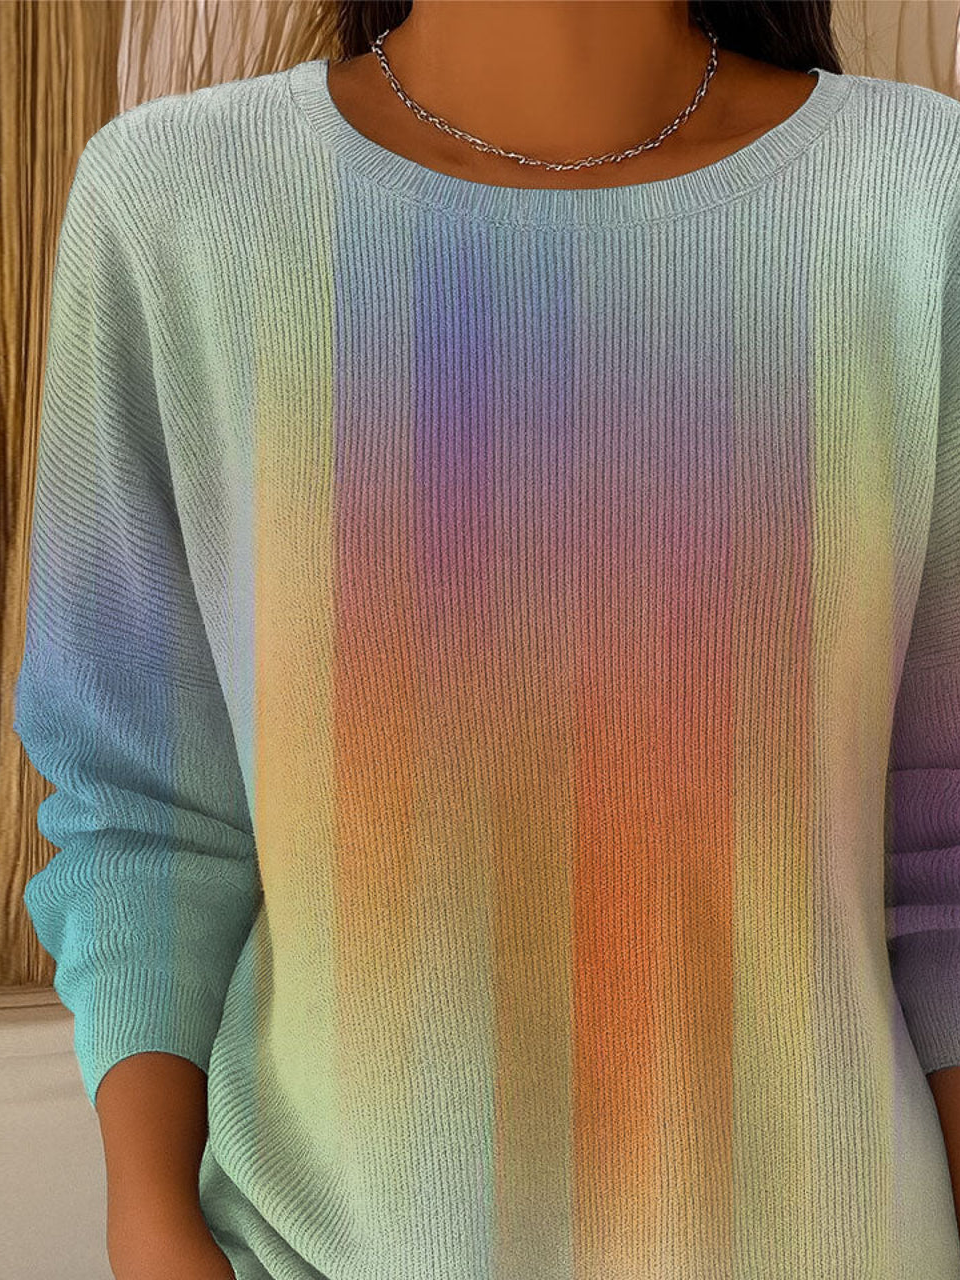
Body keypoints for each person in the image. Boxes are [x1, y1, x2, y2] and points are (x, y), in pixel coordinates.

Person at [13, 1, 960, 1277]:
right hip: (327, 1243)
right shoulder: (176, 205)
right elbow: (144, 799)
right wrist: (152, 1226)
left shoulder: (920, 197)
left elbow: (945, 832)